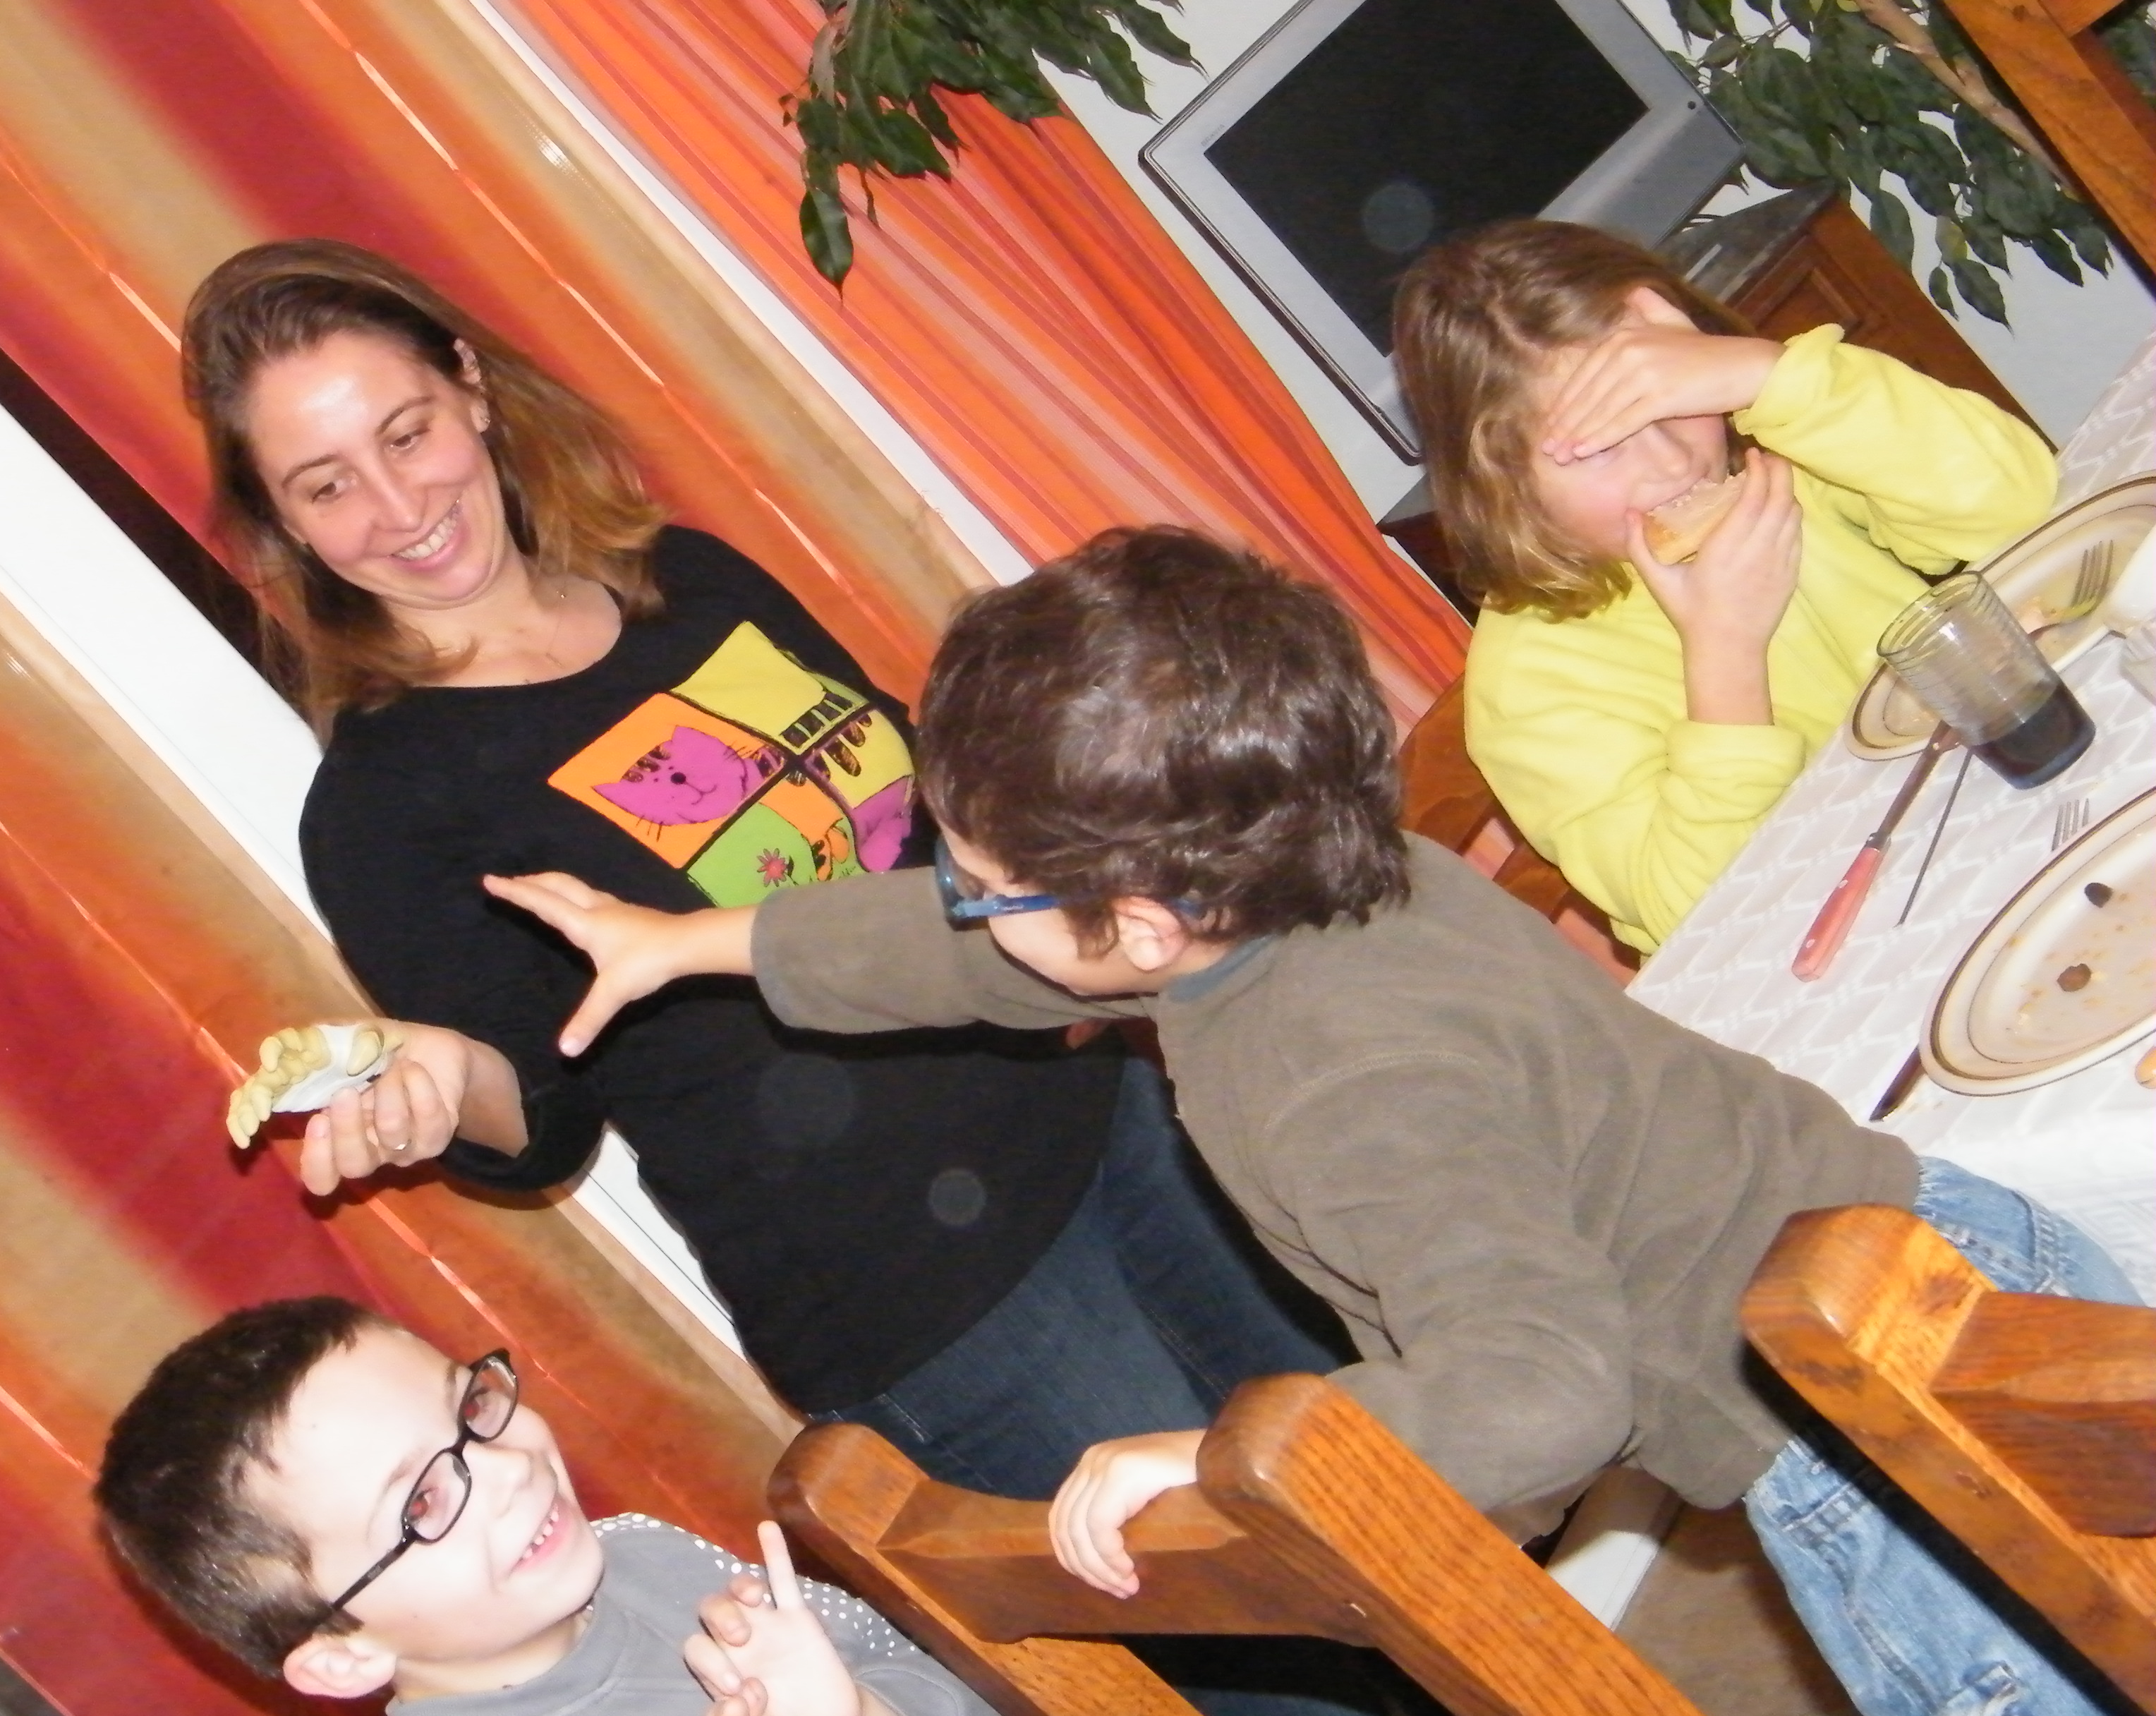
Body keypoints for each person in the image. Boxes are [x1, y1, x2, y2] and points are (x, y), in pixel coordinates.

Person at [488, 527, 2143, 1716]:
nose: (960, 904)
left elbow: (1545, 1383)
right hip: (1953, 1263)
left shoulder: (1339, 1082)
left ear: (1142, 926)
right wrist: (696, 942)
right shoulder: (1302, 861)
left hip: (1865, 1449)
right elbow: (974, 953)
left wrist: (1214, 1452)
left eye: (983, 883)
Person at [183, 241, 1386, 1711]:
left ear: (473, 391)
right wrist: (436, 1080)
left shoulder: (687, 582)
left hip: (1112, 1124)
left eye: (407, 430)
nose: (396, 506)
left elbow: (938, 812)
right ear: (285, 527)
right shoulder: (384, 802)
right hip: (938, 1298)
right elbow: (536, 1113)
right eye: (326, 486)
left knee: (1394, 1523)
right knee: (1279, 1671)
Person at [1390, 219, 2055, 953]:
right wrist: (1726, 650)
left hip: (1987, 813)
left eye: (1675, 399)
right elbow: (1707, 921)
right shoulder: (1531, 688)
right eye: (1602, 448)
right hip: (1860, 942)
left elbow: (2024, 507)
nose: (1674, 463)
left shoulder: (1782, 458)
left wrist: (1771, 377)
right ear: (1501, 484)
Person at [95, 1296, 986, 1714]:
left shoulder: (634, 1549)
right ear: (344, 1655)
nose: (507, 1466)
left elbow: (950, 1685)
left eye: (471, 1406)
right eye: (423, 1500)